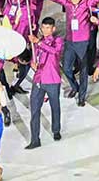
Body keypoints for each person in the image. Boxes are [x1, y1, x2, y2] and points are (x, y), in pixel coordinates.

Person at [26, 16, 64, 148]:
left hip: (52, 79)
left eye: (48, 28)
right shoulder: (36, 43)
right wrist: (32, 62)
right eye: (44, 27)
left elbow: (55, 52)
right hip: (38, 78)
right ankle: (35, 139)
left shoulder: (57, 41)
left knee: (55, 106)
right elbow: (35, 57)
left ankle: (56, 130)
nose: (46, 30)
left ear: (53, 29)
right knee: (35, 109)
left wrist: (39, 43)